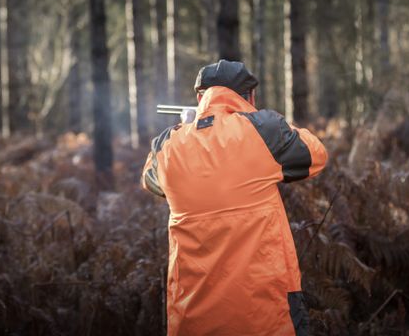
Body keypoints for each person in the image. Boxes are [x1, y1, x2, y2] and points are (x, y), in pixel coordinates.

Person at [141, 59, 328, 335]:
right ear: (250, 96)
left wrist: (187, 127)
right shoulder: (265, 130)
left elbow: (150, 179)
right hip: (266, 314)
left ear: (200, 97)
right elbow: (316, 154)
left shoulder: (167, 145)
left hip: (192, 317)